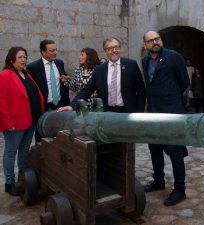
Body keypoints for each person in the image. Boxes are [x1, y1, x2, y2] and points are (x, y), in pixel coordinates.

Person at [142, 31, 190, 206]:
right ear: (145, 45)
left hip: (172, 113)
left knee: (175, 152)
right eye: (151, 40)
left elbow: (184, 82)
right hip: (153, 113)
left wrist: (172, 100)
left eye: (157, 39)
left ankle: (180, 189)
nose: (155, 42)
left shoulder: (174, 57)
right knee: (154, 149)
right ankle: (158, 181)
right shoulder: (145, 61)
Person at [58, 37, 145, 113]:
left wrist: (140, 112)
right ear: (105, 51)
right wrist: (71, 105)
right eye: (110, 48)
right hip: (106, 112)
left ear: (120, 49)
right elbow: (87, 90)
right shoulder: (99, 69)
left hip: (128, 111)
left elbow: (141, 90)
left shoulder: (131, 65)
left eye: (116, 47)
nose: (114, 50)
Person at [0, 47, 44, 195]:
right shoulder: (5, 75)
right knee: (11, 152)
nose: (23, 60)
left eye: (25, 57)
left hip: (29, 120)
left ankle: (23, 178)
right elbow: (1, 102)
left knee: (24, 151)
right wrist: (7, 123)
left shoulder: (26, 74)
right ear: (12, 59)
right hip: (14, 123)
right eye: (20, 57)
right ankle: (9, 182)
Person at [26, 39, 70, 141]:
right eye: (52, 50)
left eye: (56, 50)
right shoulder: (33, 67)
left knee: (60, 134)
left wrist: (65, 81)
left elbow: (63, 82)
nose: (55, 52)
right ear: (43, 52)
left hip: (59, 105)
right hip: (43, 107)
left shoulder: (59, 63)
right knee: (42, 135)